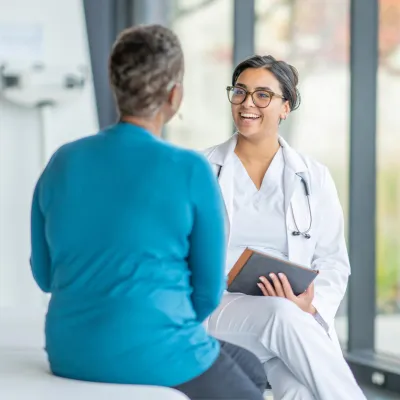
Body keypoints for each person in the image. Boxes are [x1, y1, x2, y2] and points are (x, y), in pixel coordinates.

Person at [29, 25, 267, 400]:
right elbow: (206, 294)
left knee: (251, 366)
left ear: (115, 85)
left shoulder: (62, 161)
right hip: (159, 353)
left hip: (69, 352)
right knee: (253, 384)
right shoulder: (189, 169)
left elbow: (44, 277)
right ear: (175, 95)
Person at [203, 55, 367, 400]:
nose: (248, 103)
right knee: (281, 314)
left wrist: (310, 303)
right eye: (240, 92)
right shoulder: (201, 170)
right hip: (219, 308)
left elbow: (334, 261)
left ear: (285, 107)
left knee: (301, 391)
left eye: (263, 95)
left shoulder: (313, 176)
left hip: (291, 319)